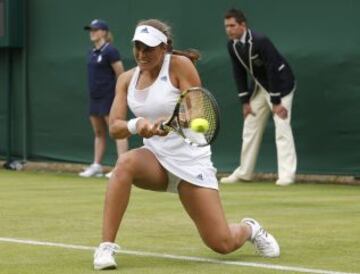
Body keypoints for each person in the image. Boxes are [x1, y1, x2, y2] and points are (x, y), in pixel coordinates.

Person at [92, 19, 280, 270]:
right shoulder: (126, 79)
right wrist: (138, 125)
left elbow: (200, 114)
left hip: (191, 162)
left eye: (148, 48)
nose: (141, 54)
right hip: (155, 160)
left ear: (164, 48)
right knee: (125, 163)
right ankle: (105, 247)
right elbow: (115, 127)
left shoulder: (180, 65)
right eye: (137, 47)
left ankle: (250, 229)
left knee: (221, 243)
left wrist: (174, 120)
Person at [221, 9, 297, 186]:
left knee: (282, 127)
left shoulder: (260, 41)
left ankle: (287, 175)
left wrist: (276, 102)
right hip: (259, 87)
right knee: (250, 126)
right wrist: (245, 101)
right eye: (226, 26)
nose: (229, 30)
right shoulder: (231, 45)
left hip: (281, 84)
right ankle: (244, 172)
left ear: (242, 25)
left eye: (232, 25)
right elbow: (238, 72)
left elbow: (272, 69)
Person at [80, 19, 128, 178]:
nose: (92, 32)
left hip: (110, 97)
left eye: (95, 29)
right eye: (91, 30)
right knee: (99, 132)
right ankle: (97, 165)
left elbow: (121, 75)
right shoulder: (91, 52)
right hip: (95, 97)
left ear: (104, 32)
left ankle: (122, 166)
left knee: (117, 131)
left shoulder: (111, 51)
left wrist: (119, 96)